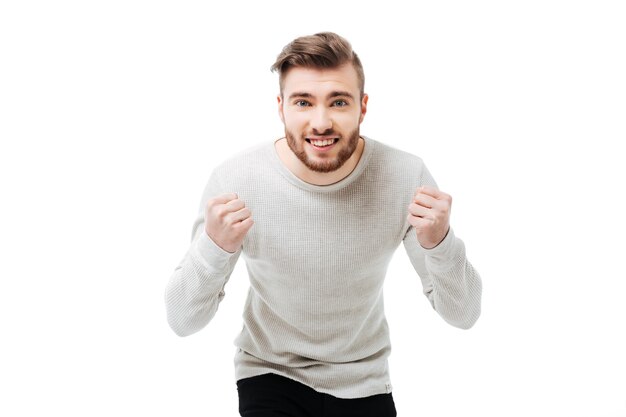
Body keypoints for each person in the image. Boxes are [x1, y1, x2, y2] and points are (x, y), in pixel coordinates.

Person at [165, 32, 482, 417]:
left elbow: (462, 314)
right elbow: (183, 320)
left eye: (338, 102)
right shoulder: (236, 181)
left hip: (363, 380)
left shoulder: (405, 175)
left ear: (362, 107)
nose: (321, 122)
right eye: (303, 102)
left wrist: (440, 243)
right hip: (269, 373)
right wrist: (214, 247)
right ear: (281, 107)